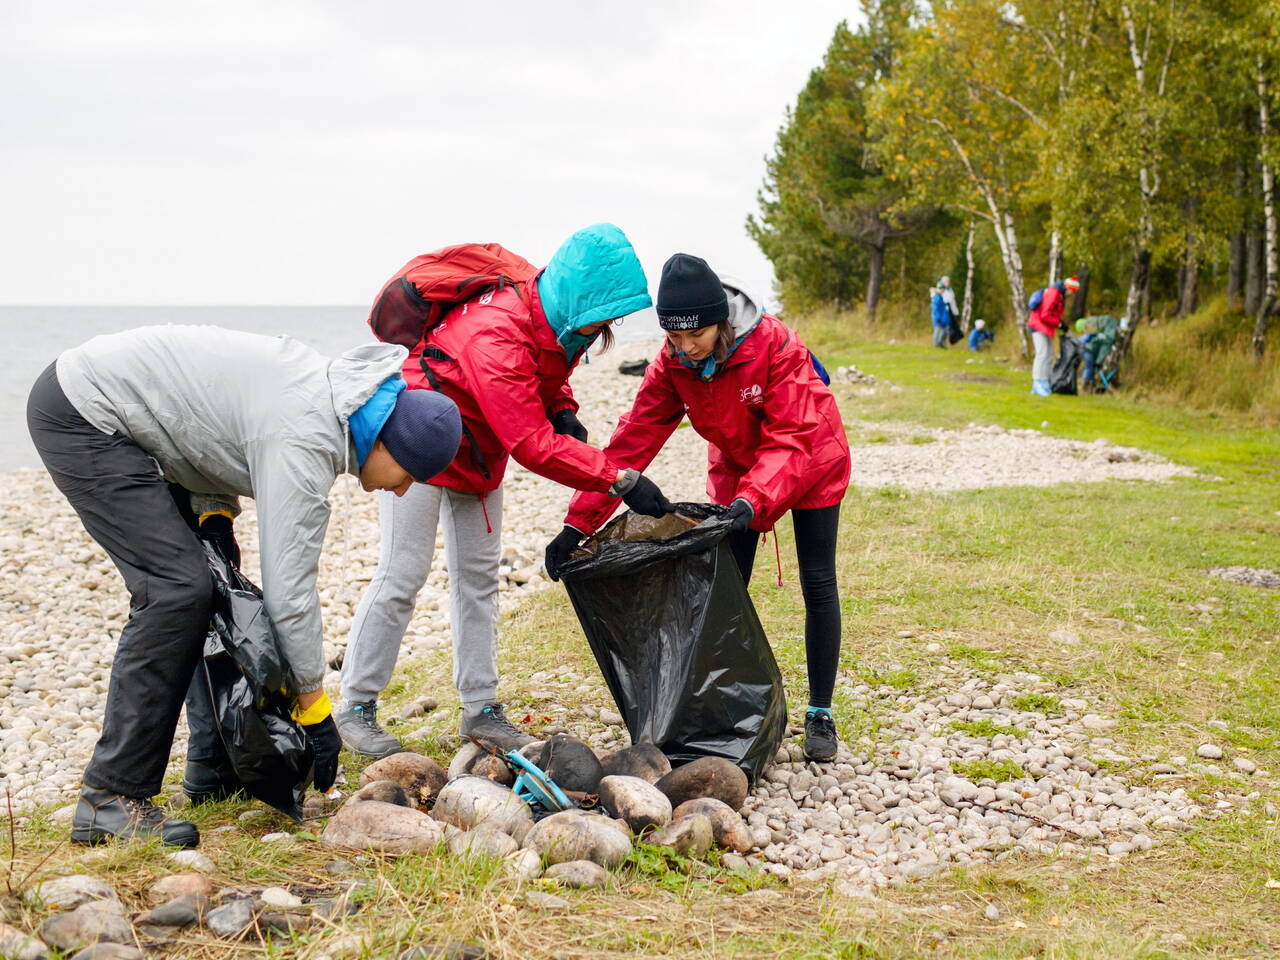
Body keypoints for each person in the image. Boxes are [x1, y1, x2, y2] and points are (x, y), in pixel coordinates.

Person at [26, 326, 462, 847]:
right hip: (83, 412)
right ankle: (108, 796)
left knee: (215, 579)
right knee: (176, 589)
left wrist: (214, 513)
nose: (404, 487)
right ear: (391, 440)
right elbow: (290, 593)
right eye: (411, 472)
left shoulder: (334, 401)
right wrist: (315, 708)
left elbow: (212, 429)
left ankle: (210, 770)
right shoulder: (310, 437)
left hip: (133, 418)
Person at [336, 223, 674, 758]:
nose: (604, 327)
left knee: (478, 579)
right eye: (602, 316)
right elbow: (530, 443)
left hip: (477, 451)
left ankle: (482, 709)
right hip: (415, 436)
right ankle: (355, 706)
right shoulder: (496, 331)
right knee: (402, 573)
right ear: (578, 296)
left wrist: (564, 410)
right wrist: (619, 478)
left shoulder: (554, 315)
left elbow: (546, 367)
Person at [544, 253, 852, 763]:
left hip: (812, 457)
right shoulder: (673, 364)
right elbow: (630, 442)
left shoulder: (776, 346)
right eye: (674, 338)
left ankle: (820, 711)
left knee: (818, 582)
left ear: (721, 322)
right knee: (724, 589)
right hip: (736, 469)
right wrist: (576, 525)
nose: (685, 348)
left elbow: (794, 435)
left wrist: (752, 500)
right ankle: (733, 708)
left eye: (697, 336)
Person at [1026, 275, 1080, 395]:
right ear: (1069, 288)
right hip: (1038, 325)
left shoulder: (1059, 295)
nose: (1072, 294)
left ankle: (1045, 381)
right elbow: (1045, 315)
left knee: (1049, 355)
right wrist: (1060, 325)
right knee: (1042, 354)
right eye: (1073, 291)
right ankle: (1037, 382)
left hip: (1046, 327)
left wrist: (1059, 324)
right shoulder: (1054, 293)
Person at [1074, 315, 1121, 391]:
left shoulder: (1094, 330)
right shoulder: (1095, 332)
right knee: (1090, 365)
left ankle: (1088, 384)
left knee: (1089, 365)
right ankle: (1087, 384)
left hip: (1086, 350)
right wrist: (1099, 362)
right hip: (1086, 350)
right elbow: (1103, 345)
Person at [930, 276, 958, 348]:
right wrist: (938, 317)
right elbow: (935, 309)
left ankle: (940, 344)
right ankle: (936, 344)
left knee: (944, 331)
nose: (943, 290)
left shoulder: (942, 297)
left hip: (943, 317)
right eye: (941, 289)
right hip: (938, 317)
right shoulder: (937, 297)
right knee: (938, 331)